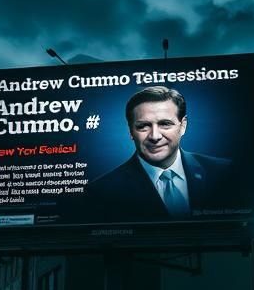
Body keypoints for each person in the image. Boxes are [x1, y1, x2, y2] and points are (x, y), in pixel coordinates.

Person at [85, 86, 235, 222]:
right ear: (131, 131)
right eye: (143, 126)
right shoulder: (102, 191)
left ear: (183, 126)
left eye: (165, 124)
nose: (155, 136)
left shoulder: (224, 172)